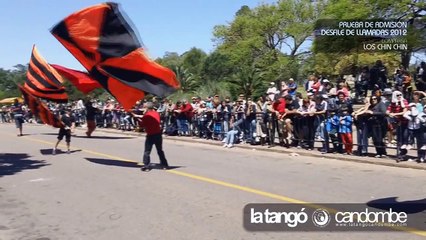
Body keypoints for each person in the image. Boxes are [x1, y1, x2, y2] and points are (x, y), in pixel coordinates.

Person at [132, 102, 169, 171]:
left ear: (147, 108)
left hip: (150, 135)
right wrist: (139, 116)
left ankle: (146, 166)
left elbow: (142, 125)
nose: (143, 109)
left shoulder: (146, 115)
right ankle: (165, 165)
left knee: (147, 151)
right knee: (160, 150)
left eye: (144, 107)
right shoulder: (156, 113)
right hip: (158, 134)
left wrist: (137, 119)